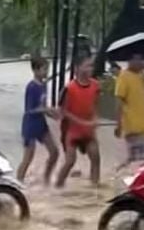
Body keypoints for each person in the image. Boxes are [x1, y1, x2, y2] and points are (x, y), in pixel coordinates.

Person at [54, 56, 103, 188]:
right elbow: (62, 112)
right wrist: (82, 122)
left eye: (92, 66)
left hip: (88, 132)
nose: (91, 69)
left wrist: (95, 119)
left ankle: (95, 190)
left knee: (96, 158)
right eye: (87, 65)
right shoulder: (69, 88)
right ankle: (57, 188)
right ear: (78, 68)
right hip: (72, 132)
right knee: (70, 161)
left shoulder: (96, 86)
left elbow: (95, 106)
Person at [17, 56, 60, 185]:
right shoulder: (31, 87)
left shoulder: (44, 85)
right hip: (30, 125)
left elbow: (43, 106)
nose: (46, 72)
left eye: (47, 69)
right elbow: (30, 110)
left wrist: (53, 113)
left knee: (54, 152)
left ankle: (46, 178)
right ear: (35, 70)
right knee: (28, 157)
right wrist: (47, 110)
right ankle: (18, 183)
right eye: (44, 69)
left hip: (41, 124)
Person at [114, 52, 144, 167]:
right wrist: (119, 124)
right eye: (138, 60)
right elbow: (119, 101)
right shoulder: (124, 76)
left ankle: (120, 171)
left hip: (143, 124)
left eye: (142, 60)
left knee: (137, 158)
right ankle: (122, 173)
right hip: (132, 126)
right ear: (130, 61)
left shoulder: (141, 76)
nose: (141, 62)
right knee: (138, 160)